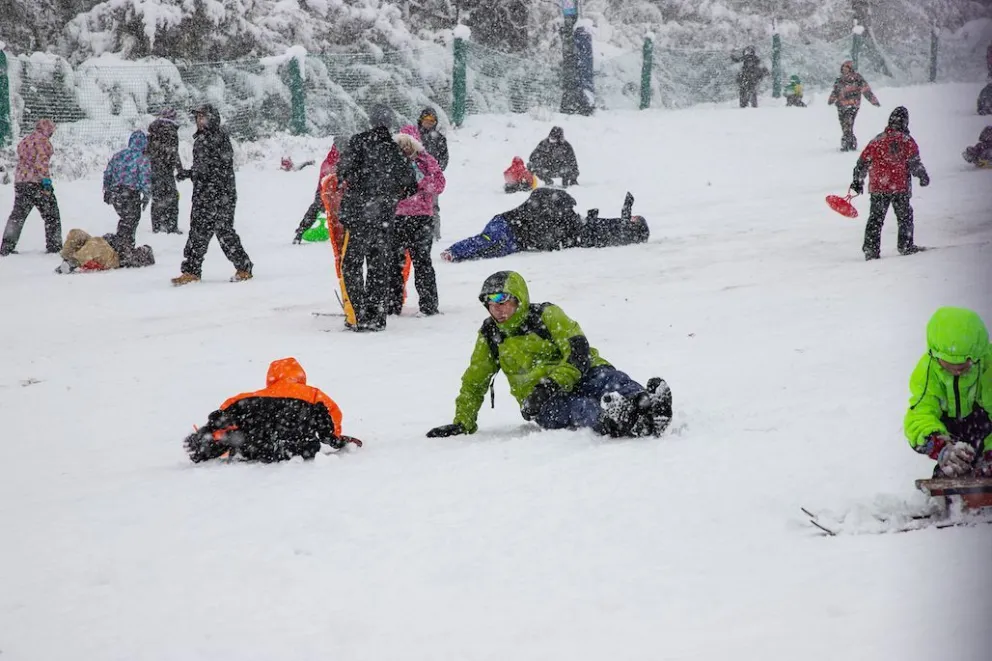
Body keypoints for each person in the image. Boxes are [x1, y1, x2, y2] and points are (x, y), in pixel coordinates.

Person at [425, 271, 672, 439]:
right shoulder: (491, 334)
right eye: (490, 303)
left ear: (518, 300)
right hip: (541, 402)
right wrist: (462, 421)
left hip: (577, 374)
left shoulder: (546, 315)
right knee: (580, 408)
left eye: (502, 300)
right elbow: (475, 379)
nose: (497, 309)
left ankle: (646, 404)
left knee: (607, 379)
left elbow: (579, 353)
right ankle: (616, 419)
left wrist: (553, 383)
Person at [183, 357, 362, 463]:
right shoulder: (313, 395)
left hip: (256, 450)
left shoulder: (248, 398)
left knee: (244, 423)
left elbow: (222, 416)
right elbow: (332, 419)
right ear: (301, 377)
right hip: (300, 449)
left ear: (270, 378)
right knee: (309, 424)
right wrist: (338, 440)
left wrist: (211, 433)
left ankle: (221, 443)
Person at [335, 104, 419, 331]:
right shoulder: (395, 150)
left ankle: (359, 314)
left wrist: (356, 184)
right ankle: (377, 315)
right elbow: (411, 185)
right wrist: (389, 194)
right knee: (378, 267)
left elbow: (342, 171)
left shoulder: (358, 142)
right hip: (383, 218)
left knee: (351, 264)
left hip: (358, 216)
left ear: (370, 121)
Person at [440, 189, 648, 262]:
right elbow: (539, 196)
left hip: (518, 242)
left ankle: (458, 254)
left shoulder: (561, 221)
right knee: (488, 241)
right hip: (506, 226)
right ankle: (455, 251)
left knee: (492, 251)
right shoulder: (534, 208)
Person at [905, 307, 992, 478]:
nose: (957, 371)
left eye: (964, 365)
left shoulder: (988, 367)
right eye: (948, 365)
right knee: (949, 483)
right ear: (935, 355)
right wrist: (940, 446)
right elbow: (920, 415)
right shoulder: (928, 372)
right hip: (951, 435)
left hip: (985, 430)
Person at [171, 104, 253, 286]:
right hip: (203, 195)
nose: (200, 121)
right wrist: (191, 173)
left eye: (203, 117)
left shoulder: (219, 137)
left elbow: (218, 167)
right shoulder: (201, 139)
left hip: (220, 194)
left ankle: (244, 267)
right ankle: (191, 271)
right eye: (198, 118)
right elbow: (204, 168)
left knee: (224, 231)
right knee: (197, 234)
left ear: (212, 119)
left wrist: (201, 175)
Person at [850, 106, 930, 260]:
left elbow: (862, 162)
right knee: (905, 216)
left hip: (879, 186)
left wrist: (857, 181)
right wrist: (922, 176)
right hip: (900, 187)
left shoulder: (877, 141)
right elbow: (914, 163)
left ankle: (871, 250)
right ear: (905, 122)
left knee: (876, 218)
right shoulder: (907, 141)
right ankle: (905, 245)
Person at [387, 126, 445, 317]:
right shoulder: (392, 162)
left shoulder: (425, 161)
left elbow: (439, 184)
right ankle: (392, 305)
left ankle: (427, 305)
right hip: (398, 217)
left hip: (420, 218)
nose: (405, 148)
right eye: (401, 144)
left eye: (408, 144)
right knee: (395, 263)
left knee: (421, 262)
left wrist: (417, 184)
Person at [1, 119, 62, 256]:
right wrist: (46, 182)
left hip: (21, 182)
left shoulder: (25, 140)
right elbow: (42, 162)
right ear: (48, 130)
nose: (52, 133)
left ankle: (7, 246)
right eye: (51, 130)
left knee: (17, 215)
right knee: (52, 215)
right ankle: (54, 246)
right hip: (37, 183)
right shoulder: (44, 142)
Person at [102, 130, 152, 248]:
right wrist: (146, 195)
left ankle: (122, 243)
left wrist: (107, 189)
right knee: (131, 219)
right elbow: (145, 178)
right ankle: (125, 246)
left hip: (115, 193)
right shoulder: (142, 159)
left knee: (125, 218)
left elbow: (108, 173)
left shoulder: (118, 155)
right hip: (130, 194)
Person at [293, 142, 343, 244]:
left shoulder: (329, 161)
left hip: (327, 192)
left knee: (314, 210)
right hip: (327, 192)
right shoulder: (333, 162)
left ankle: (300, 232)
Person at [827, 61, 880, 151]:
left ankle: (846, 144)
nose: (844, 69)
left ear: (850, 68)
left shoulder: (857, 78)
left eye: (846, 67)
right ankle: (851, 143)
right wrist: (831, 99)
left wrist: (873, 101)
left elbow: (866, 90)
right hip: (841, 106)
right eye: (843, 67)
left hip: (852, 105)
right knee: (844, 125)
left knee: (848, 123)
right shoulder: (839, 79)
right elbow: (835, 91)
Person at [147, 108, 184, 234]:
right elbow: (173, 153)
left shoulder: (153, 130)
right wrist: (179, 169)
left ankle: (156, 226)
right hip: (166, 170)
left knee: (157, 197)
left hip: (154, 169)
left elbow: (148, 151)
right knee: (172, 198)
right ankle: (171, 226)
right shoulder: (171, 131)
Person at [55, 229, 155, 274]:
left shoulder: (132, 255)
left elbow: (128, 258)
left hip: (113, 259)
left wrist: (122, 246)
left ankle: (73, 262)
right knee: (76, 233)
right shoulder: (124, 245)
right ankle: (66, 258)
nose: (141, 249)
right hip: (96, 251)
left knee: (97, 242)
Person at [416, 108, 449, 240]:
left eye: (432, 121)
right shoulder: (414, 136)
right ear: (421, 121)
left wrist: (434, 172)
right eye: (426, 120)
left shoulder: (439, 139)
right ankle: (416, 234)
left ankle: (435, 235)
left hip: (432, 180)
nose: (428, 123)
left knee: (433, 207)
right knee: (415, 206)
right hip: (416, 179)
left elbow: (444, 159)